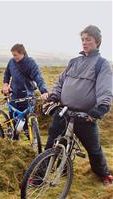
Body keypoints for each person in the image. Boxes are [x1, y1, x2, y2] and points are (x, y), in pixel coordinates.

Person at [44, 25, 113, 186]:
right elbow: (60, 82)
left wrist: (100, 109)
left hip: (86, 116)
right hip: (64, 111)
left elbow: (105, 89)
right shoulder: (74, 62)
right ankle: (40, 173)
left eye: (88, 39)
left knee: (94, 150)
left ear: (97, 41)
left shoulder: (101, 64)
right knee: (51, 143)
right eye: (82, 39)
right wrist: (54, 96)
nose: (84, 42)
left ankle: (103, 174)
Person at [2, 43, 49, 139]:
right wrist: (6, 85)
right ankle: (14, 138)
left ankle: (32, 140)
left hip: (28, 94)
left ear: (22, 52)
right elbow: (7, 74)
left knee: (27, 119)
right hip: (14, 93)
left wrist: (44, 91)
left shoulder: (30, 63)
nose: (14, 57)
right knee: (14, 118)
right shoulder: (11, 62)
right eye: (13, 55)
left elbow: (38, 77)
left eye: (15, 55)